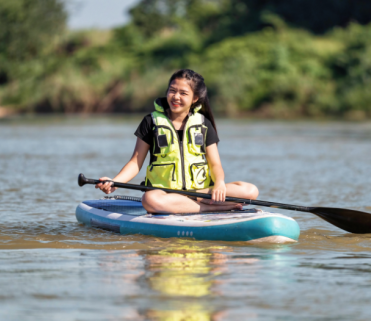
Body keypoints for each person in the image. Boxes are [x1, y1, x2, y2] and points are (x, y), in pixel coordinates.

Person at [96, 69, 258, 213]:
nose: (176, 97)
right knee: (149, 200)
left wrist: (219, 183)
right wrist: (115, 182)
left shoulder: (204, 124)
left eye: (183, 93)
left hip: (199, 192)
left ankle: (193, 204)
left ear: (195, 98)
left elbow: (215, 164)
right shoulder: (150, 122)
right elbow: (135, 163)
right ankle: (209, 208)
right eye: (172, 91)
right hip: (165, 193)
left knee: (250, 191)